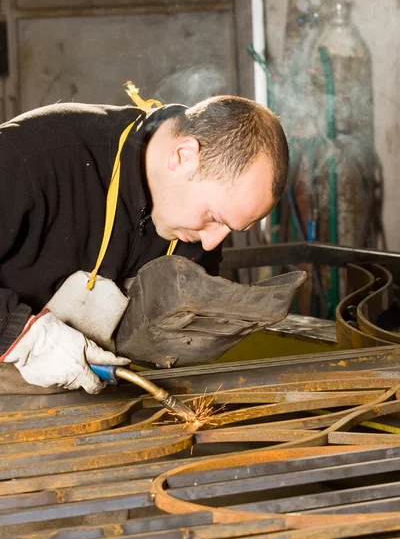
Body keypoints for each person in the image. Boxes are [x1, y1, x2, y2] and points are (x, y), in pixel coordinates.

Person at [0, 84, 289, 394]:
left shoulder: (198, 225)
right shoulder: (34, 154)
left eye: (231, 229)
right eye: (214, 218)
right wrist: (22, 335)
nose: (210, 245)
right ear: (183, 155)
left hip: (87, 393)